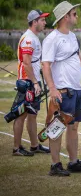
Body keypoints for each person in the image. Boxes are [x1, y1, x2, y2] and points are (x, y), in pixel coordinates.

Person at [42, 1, 81, 176]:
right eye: (74, 14)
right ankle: (55, 165)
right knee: (57, 127)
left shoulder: (72, 36)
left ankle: (73, 162)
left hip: (76, 90)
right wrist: (52, 89)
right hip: (62, 91)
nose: (76, 16)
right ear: (65, 17)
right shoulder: (52, 39)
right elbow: (46, 66)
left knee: (74, 127)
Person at [12, 10, 51, 156]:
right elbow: (27, 63)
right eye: (42, 20)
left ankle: (35, 145)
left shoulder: (33, 37)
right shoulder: (29, 39)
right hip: (28, 82)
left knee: (33, 114)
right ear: (34, 22)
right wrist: (35, 82)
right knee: (21, 115)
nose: (44, 22)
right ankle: (17, 148)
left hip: (33, 81)